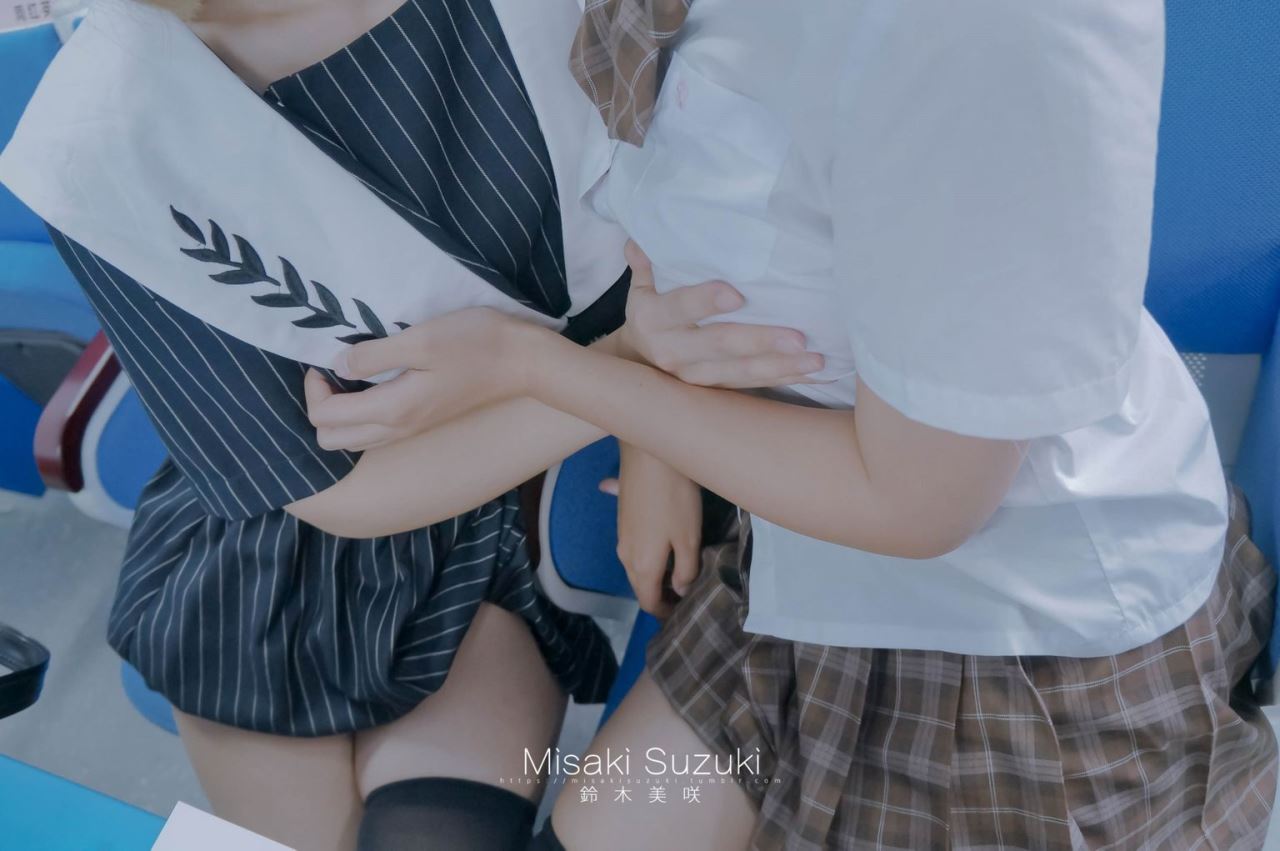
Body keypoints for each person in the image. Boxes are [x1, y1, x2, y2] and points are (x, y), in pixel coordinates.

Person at [307, 0, 1279, 848]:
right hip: (794, 554)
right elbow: (659, 135)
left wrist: (555, 373)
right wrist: (652, 435)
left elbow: (920, 504)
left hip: (1024, 637)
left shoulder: (985, 40)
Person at [0, 0, 819, 848]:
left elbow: (693, 208)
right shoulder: (91, 136)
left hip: (499, 535)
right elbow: (330, 492)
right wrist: (627, 375)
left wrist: (655, 429)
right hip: (264, 565)